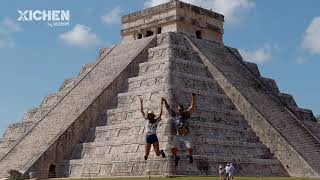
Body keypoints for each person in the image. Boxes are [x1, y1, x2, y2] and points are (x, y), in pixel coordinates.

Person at [162, 93, 196, 167]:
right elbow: (168, 108)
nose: (179, 111)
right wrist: (165, 101)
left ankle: (190, 156)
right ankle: (176, 157)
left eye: (180, 110)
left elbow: (192, 107)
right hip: (178, 135)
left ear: (183, 110)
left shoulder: (186, 114)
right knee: (173, 149)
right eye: (178, 110)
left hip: (186, 134)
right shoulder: (176, 115)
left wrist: (193, 97)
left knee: (190, 148)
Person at [139, 96, 166, 161]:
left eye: (151, 115)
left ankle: (161, 151)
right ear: (148, 115)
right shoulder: (147, 120)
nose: (150, 116)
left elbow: (160, 114)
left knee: (157, 153)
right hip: (148, 137)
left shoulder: (156, 121)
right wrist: (141, 103)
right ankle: (146, 155)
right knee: (146, 155)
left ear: (153, 116)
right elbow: (142, 111)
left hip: (154, 137)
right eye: (149, 115)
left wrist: (161, 103)